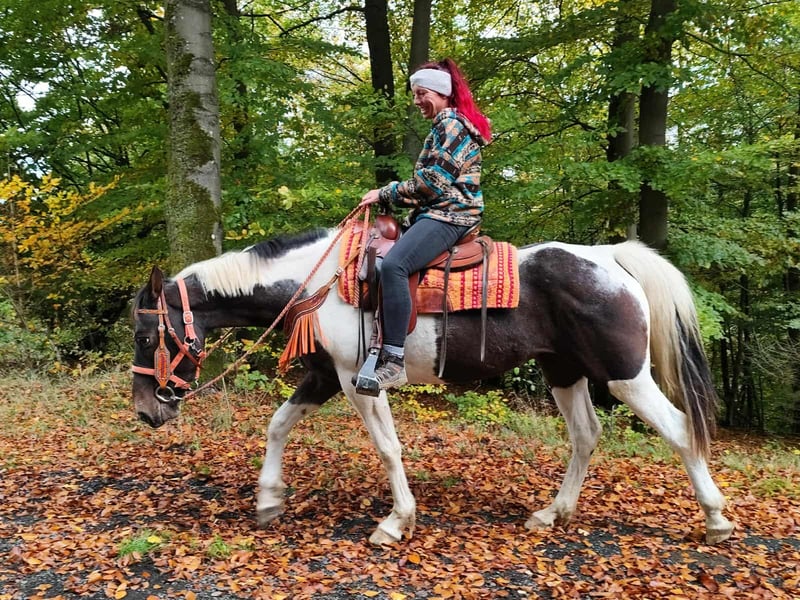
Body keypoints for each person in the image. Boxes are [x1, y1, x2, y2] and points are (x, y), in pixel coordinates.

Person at [359, 57, 492, 390]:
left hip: (450, 216)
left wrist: (385, 193)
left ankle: (393, 361)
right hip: (437, 213)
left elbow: (433, 183)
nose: (417, 101)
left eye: (422, 94)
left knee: (395, 266)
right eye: (415, 94)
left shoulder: (451, 125)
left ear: (442, 93)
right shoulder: (445, 125)